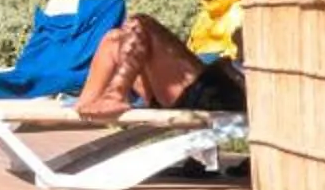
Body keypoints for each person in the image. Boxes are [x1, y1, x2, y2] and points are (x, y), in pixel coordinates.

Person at [75, 15, 246, 123]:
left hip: (214, 96)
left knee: (140, 24)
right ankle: (86, 102)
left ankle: (115, 96)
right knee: (114, 38)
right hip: (207, 88)